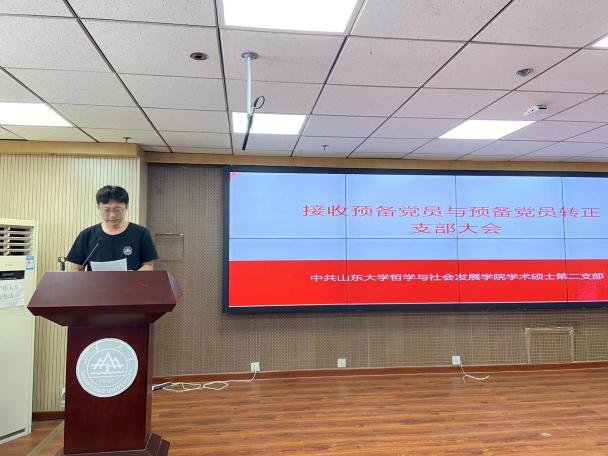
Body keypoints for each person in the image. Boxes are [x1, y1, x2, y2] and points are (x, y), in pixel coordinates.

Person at [66, 185, 158, 271]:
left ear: (126, 206)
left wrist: (133, 276)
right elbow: (76, 269)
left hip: (131, 283)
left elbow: (148, 265)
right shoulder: (86, 235)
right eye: (107, 210)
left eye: (118, 210)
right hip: (96, 283)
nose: (112, 215)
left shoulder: (141, 233)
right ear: (98, 207)